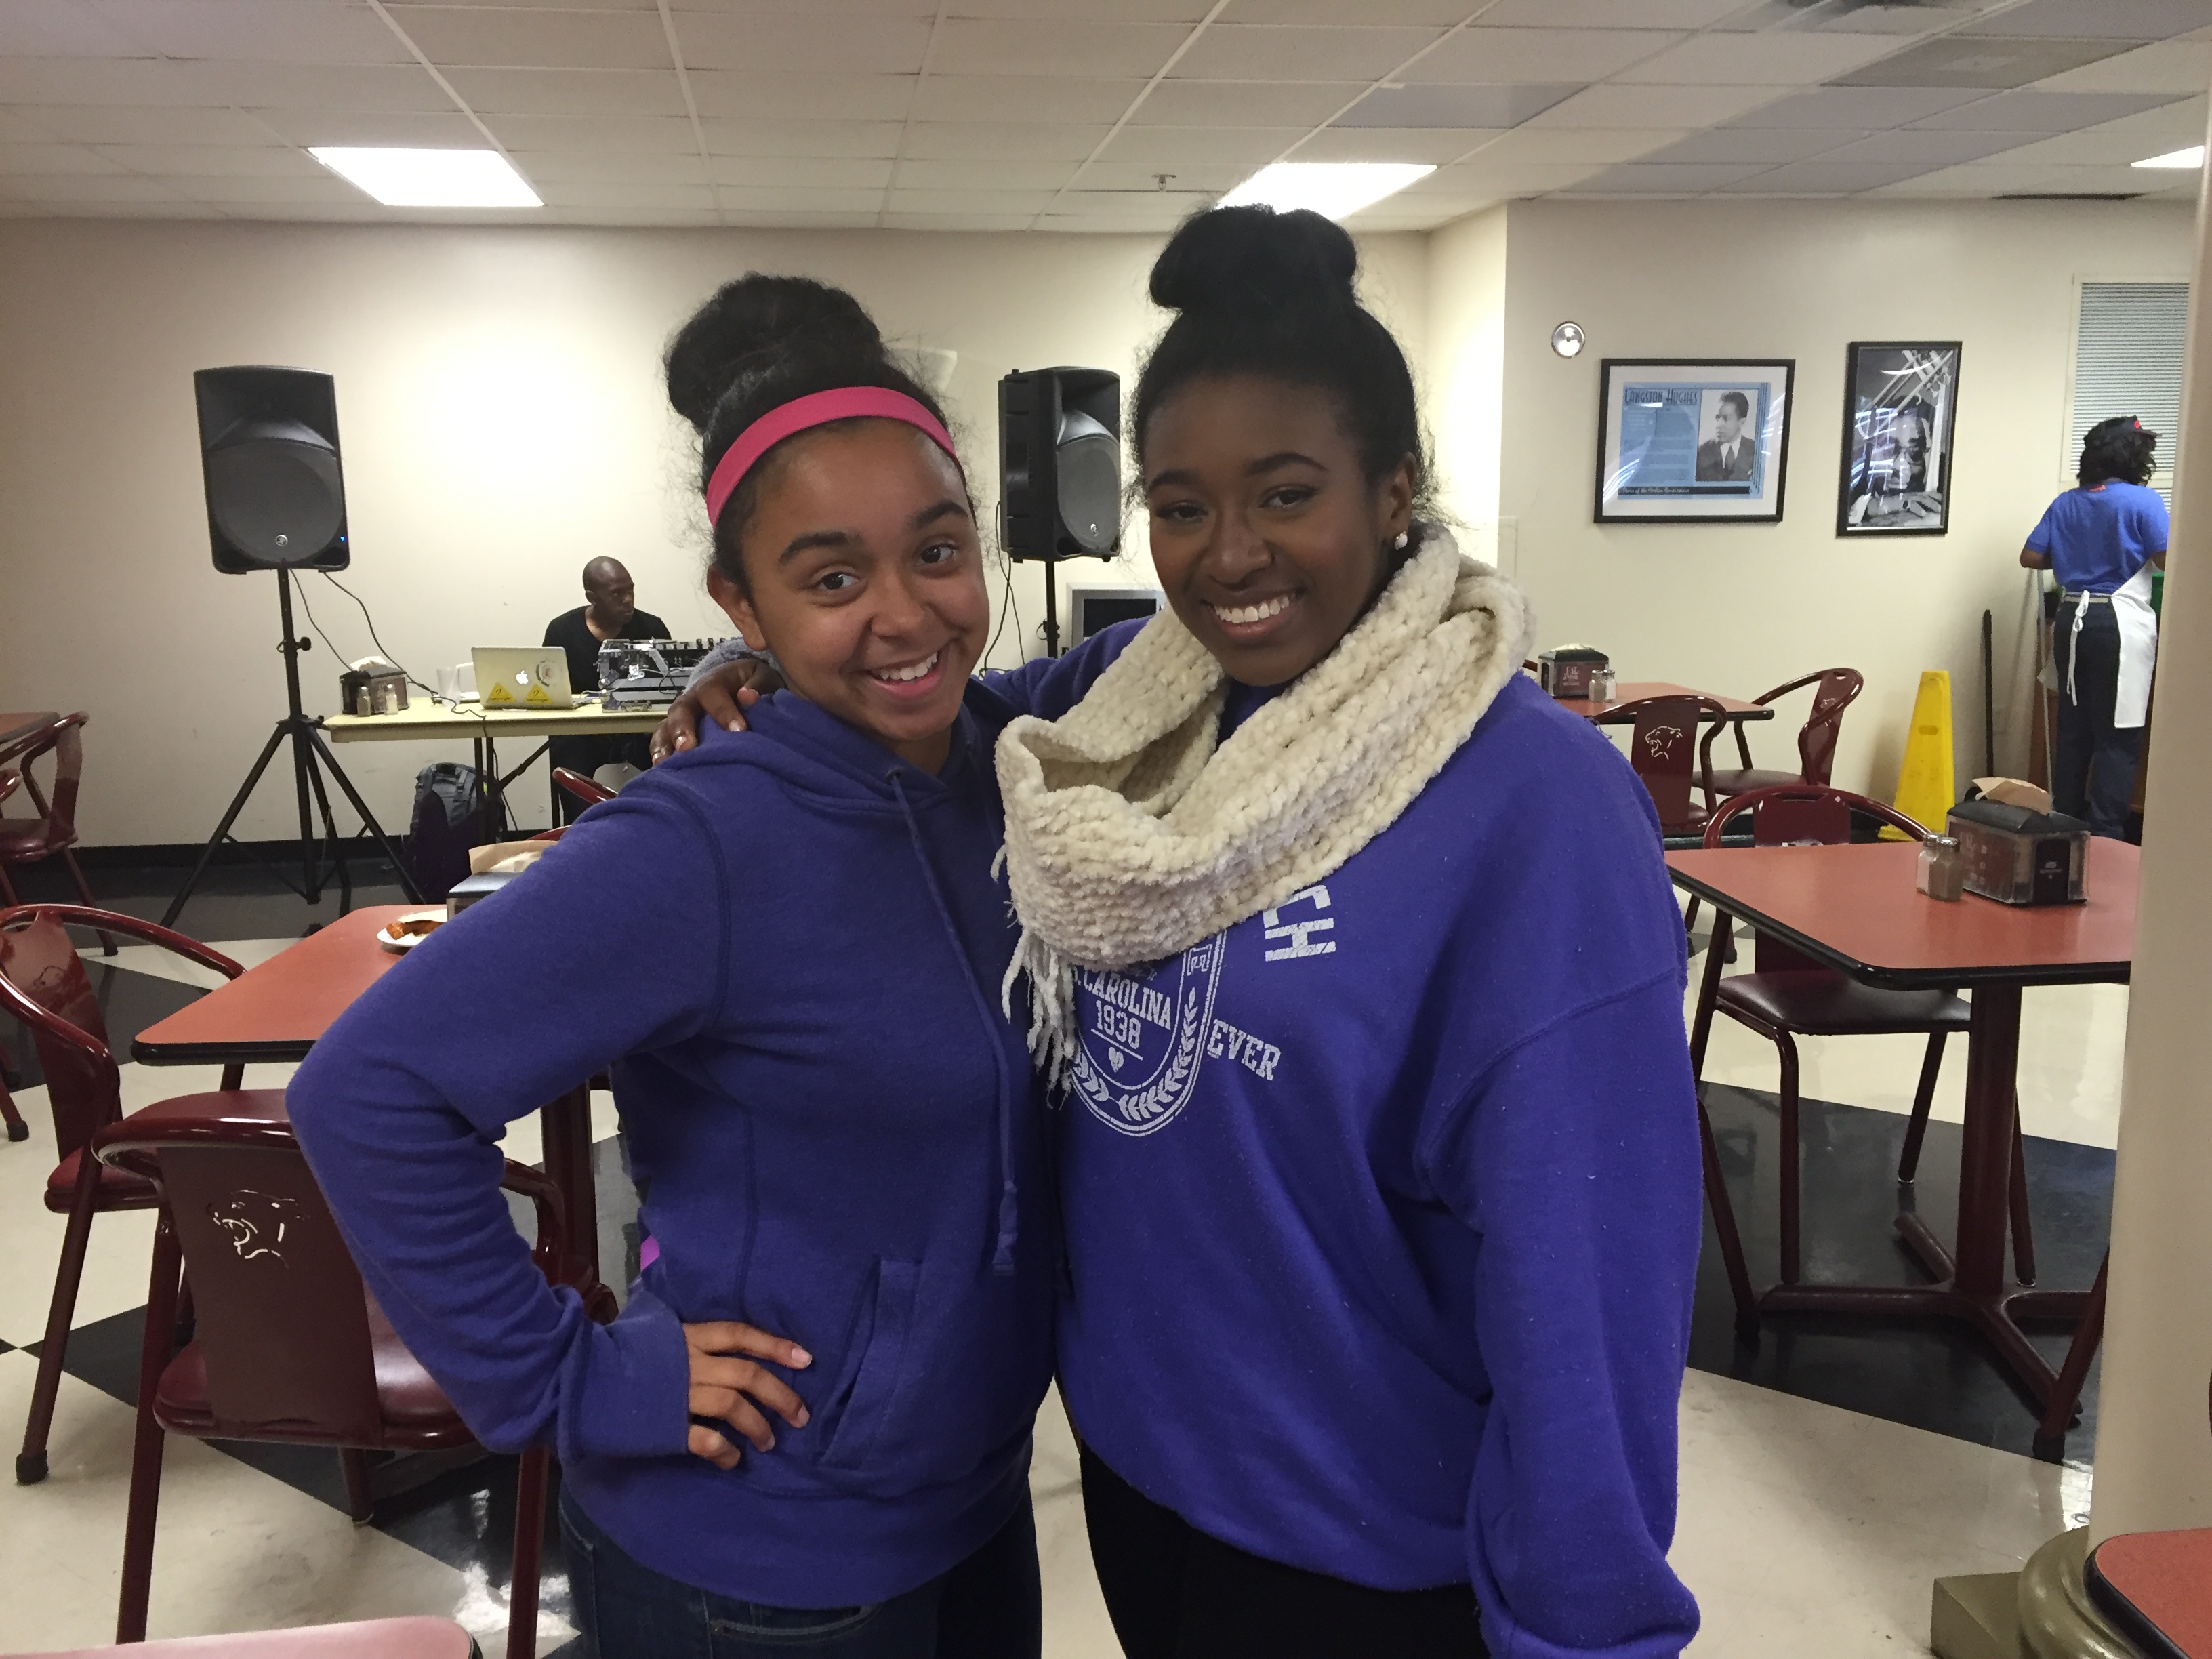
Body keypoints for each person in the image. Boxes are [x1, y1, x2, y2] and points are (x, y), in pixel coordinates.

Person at [667, 206, 1705, 1658]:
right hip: (1147, 1492)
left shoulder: (1537, 808)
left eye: (1286, 494)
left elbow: (1593, 1276)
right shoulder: (1150, 700)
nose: (1230, 557)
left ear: (1393, 488)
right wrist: (760, 664)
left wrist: (1586, 1628)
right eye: (1181, 503)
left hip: (1369, 1549)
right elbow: (939, 711)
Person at [289, 274, 1124, 1659]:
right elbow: (368, 1092)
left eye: (938, 551)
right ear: (742, 600)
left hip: (969, 1517)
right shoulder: (702, 839)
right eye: (831, 578)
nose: (908, 614)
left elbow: (1173, 656)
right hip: (754, 1566)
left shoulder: (1001, 758)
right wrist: (566, 1374)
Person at [2021, 415, 2167, 838]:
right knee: (2118, 735)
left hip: (2070, 620)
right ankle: (2107, 841)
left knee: (2074, 731)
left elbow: (2030, 557)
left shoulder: (2068, 501)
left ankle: (2062, 832)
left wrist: (2075, 554)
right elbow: (2166, 558)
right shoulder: (2143, 502)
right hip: (2117, 622)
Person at [543, 557, 669, 812]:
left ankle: (666, 826)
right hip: (584, 735)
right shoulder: (562, 632)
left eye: (630, 590)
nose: (628, 599)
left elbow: (669, 692)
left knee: (672, 755)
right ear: (592, 597)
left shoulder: (651, 628)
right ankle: (578, 835)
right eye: (616, 593)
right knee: (566, 752)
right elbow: (549, 691)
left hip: (639, 731)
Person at [1695, 390, 1753, 481]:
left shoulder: (1754, 451)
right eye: (1718, 418)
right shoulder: (1702, 453)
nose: (1718, 425)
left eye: (1725, 419)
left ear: (1742, 422)